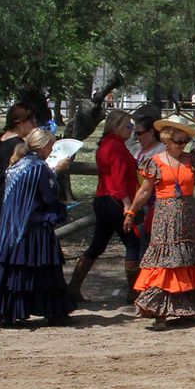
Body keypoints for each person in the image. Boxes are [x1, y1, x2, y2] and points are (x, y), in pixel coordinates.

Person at [126, 116, 195, 322]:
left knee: (186, 261)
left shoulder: (193, 159)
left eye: (185, 140)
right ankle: (159, 312)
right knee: (164, 262)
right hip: (165, 219)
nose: (182, 145)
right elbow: (144, 191)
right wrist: (131, 212)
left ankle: (185, 308)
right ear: (167, 139)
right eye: (179, 140)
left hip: (189, 219)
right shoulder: (154, 162)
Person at [0, 126, 74, 327]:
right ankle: (54, 312)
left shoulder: (17, 164)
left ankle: (6, 313)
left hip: (11, 227)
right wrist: (60, 205)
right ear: (43, 147)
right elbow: (48, 196)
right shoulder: (39, 167)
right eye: (51, 146)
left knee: (13, 271)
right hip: (34, 227)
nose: (52, 150)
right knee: (45, 271)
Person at [67, 110, 140, 304]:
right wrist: (127, 205)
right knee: (133, 242)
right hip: (115, 201)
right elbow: (118, 180)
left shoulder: (107, 144)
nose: (131, 130)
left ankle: (73, 287)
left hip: (103, 199)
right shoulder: (116, 147)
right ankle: (135, 292)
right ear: (115, 126)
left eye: (132, 126)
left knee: (98, 245)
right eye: (128, 126)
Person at [0, 103, 37, 247]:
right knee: (8, 251)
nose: (35, 125)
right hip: (7, 204)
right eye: (32, 121)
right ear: (20, 123)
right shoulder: (18, 146)